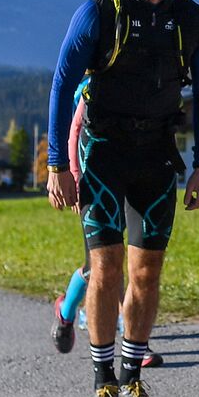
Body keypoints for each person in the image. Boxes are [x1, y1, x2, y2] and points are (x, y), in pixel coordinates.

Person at [45, 0, 199, 397]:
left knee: (147, 273)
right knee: (106, 269)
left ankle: (131, 376)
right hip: (102, 153)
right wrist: (58, 163)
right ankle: (102, 384)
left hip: (159, 157)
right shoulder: (99, 12)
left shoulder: (193, 20)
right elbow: (62, 83)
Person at [49, 87, 162, 368]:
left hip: (127, 177)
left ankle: (134, 340)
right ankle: (66, 312)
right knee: (97, 267)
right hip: (93, 183)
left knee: (129, 260)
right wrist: (75, 179)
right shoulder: (86, 85)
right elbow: (74, 132)